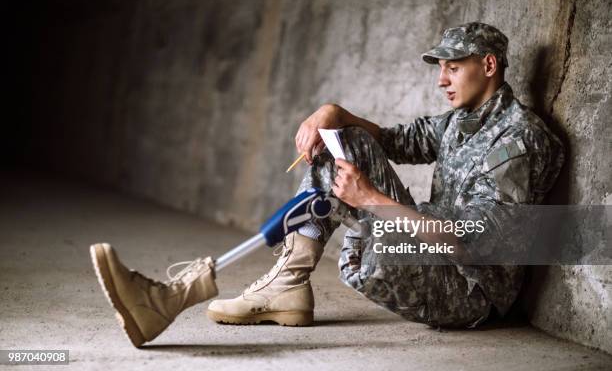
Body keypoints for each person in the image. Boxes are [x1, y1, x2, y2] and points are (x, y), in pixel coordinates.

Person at [91, 22, 564, 348]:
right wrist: (332, 114)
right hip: (431, 254)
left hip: (468, 290)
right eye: (439, 67)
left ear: (488, 65)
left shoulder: (518, 141)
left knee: (360, 203)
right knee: (340, 144)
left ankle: (200, 296)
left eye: (453, 67)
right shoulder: (463, 122)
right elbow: (397, 140)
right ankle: (240, 290)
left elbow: (474, 243)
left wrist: (371, 201)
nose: (441, 79)